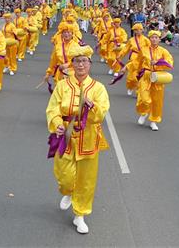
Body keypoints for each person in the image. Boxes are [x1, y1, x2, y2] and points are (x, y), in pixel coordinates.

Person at [45, 45, 110, 234]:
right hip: (64, 135)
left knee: (86, 180)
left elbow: (101, 114)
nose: (80, 65)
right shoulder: (63, 85)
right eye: (77, 61)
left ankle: (80, 214)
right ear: (72, 64)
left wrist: (92, 107)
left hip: (88, 137)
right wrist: (57, 122)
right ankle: (67, 191)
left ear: (90, 64)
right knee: (64, 175)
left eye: (84, 61)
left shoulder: (98, 88)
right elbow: (52, 109)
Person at [133, 30, 174, 131]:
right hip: (146, 75)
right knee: (144, 97)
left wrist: (158, 63)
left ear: (159, 39)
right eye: (152, 37)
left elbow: (170, 63)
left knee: (157, 100)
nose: (154, 39)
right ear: (149, 38)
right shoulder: (144, 50)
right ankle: (144, 112)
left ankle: (154, 121)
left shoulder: (164, 51)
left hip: (158, 76)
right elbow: (137, 62)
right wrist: (135, 73)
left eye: (156, 37)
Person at [117, 23, 150, 96]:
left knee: (141, 76)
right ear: (134, 31)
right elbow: (125, 49)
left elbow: (150, 49)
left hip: (143, 59)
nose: (138, 31)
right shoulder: (131, 40)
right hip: (134, 58)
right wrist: (120, 55)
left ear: (142, 30)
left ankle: (139, 91)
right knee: (132, 76)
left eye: (140, 29)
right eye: (136, 30)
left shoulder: (146, 40)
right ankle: (130, 87)